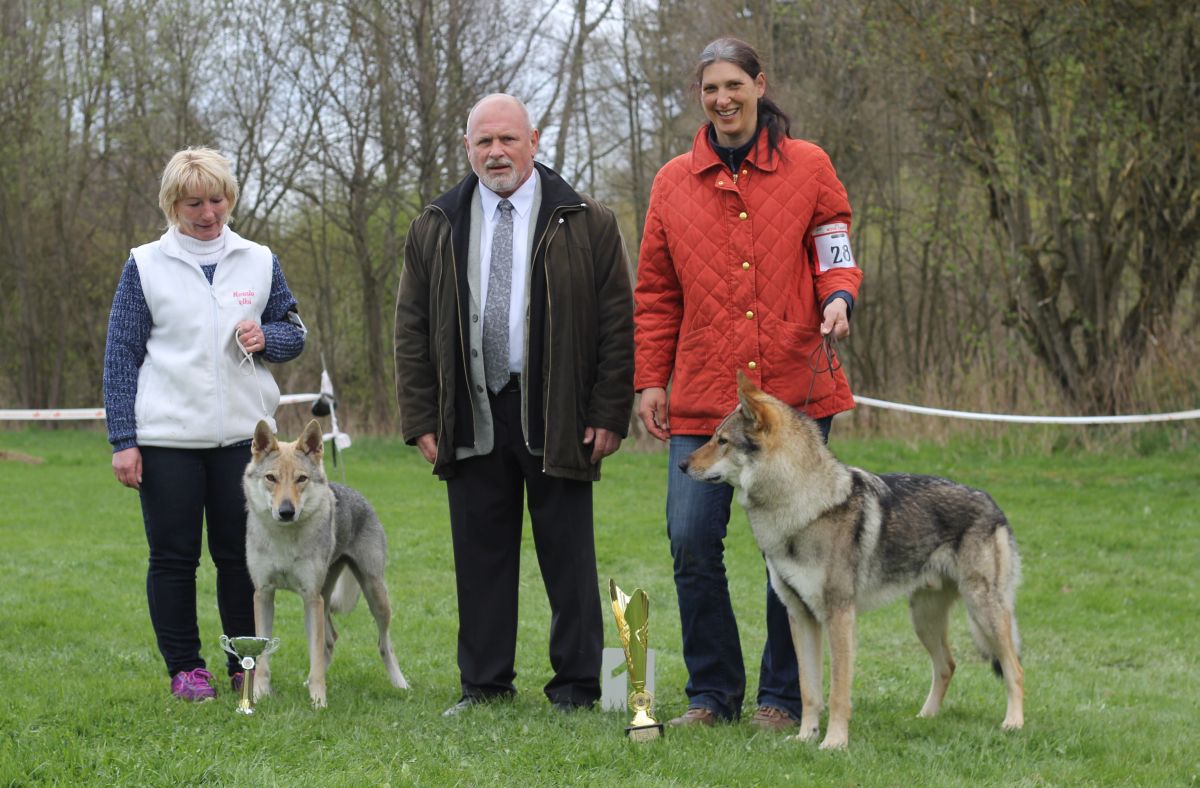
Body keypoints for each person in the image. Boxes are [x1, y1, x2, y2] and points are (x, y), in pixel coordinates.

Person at [633, 37, 863, 731]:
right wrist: (650, 381)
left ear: (760, 86)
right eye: (710, 90)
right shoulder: (673, 180)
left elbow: (835, 249)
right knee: (691, 541)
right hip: (705, 399)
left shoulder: (810, 165)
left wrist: (840, 297)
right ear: (700, 98)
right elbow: (655, 292)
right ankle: (712, 694)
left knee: (795, 544)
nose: (723, 99)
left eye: (735, 85)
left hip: (794, 393)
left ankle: (782, 699)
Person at [394, 94, 634, 716]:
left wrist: (609, 411)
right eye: (483, 143)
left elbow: (617, 324)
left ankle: (581, 688)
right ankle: (484, 686)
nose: (495, 153)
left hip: (557, 412)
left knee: (569, 557)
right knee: (480, 558)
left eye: (507, 140)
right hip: (471, 412)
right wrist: (421, 418)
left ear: (533, 139)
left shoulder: (587, 220)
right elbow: (411, 328)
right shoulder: (436, 223)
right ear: (467, 148)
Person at [103, 147, 306, 701]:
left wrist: (269, 338)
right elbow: (121, 355)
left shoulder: (259, 259)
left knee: (239, 559)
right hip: (167, 440)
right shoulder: (145, 265)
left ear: (230, 199)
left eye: (217, 200)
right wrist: (124, 440)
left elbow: (293, 330)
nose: (208, 213)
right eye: (194, 202)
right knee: (173, 558)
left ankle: (244, 663)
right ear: (173, 204)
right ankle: (186, 670)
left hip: (245, 445)